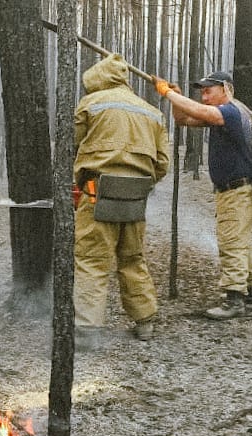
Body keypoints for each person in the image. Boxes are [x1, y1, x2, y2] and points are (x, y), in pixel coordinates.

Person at [73, 53, 170, 341]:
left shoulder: (91, 104)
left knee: (92, 260)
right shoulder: (152, 111)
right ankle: (145, 322)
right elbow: (162, 163)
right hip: (137, 197)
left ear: (97, 79)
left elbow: (71, 143)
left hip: (96, 193)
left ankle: (88, 330)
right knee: (132, 258)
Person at [152, 71, 252, 320]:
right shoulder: (220, 114)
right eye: (201, 91)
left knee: (231, 242)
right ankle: (251, 289)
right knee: (238, 239)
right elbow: (183, 120)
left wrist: (166, 92)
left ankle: (234, 299)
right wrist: (175, 98)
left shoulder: (231, 111)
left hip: (237, 189)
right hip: (233, 189)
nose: (204, 95)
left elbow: (201, 112)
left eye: (209, 90)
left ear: (226, 89)